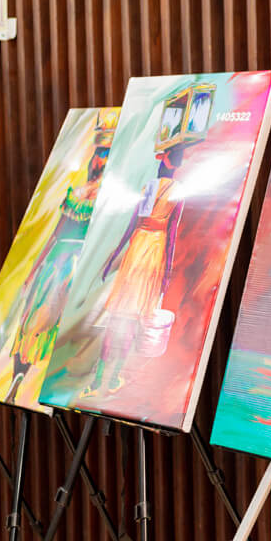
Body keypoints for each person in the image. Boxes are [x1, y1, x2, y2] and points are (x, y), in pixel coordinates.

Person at [3, 110, 117, 404]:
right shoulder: (82, 193)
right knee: (36, 322)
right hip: (60, 264)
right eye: (98, 153)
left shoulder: (104, 196)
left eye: (105, 154)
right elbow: (56, 233)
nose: (99, 161)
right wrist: (33, 270)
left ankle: (36, 383)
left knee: (51, 324)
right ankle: (20, 380)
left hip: (71, 266)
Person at [83, 145, 186, 396]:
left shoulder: (148, 187)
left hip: (136, 248)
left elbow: (131, 227)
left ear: (162, 162)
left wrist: (113, 257)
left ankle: (97, 380)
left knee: (118, 316)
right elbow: (172, 236)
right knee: (132, 318)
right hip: (153, 254)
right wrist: (167, 272)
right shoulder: (178, 191)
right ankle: (113, 378)